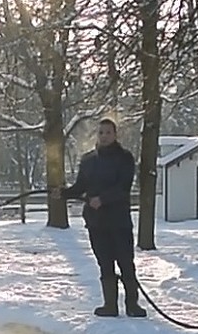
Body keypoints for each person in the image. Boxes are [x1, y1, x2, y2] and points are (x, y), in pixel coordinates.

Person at [61, 118, 146, 318]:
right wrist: (63, 193)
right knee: (105, 263)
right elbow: (80, 187)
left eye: (108, 132)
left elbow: (124, 187)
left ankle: (132, 305)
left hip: (119, 221)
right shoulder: (88, 160)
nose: (104, 136)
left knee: (126, 262)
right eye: (101, 132)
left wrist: (103, 199)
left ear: (115, 135)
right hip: (96, 222)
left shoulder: (125, 158)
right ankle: (110, 305)